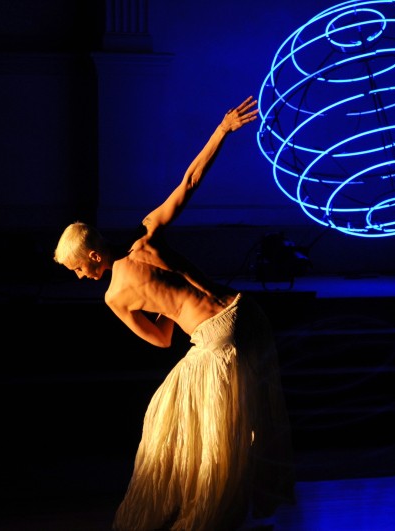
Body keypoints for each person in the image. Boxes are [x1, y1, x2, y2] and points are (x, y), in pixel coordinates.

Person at [54, 95, 296, 530]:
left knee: (172, 424)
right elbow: (189, 182)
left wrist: (164, 303)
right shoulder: (147, 236)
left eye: (77, 269)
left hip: (217, 337)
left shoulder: (115, 298)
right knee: (203, 413)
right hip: (244, 313)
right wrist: (222, 130)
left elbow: (163, 339)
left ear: (92, 256)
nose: (79, 277)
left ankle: (207, 509)